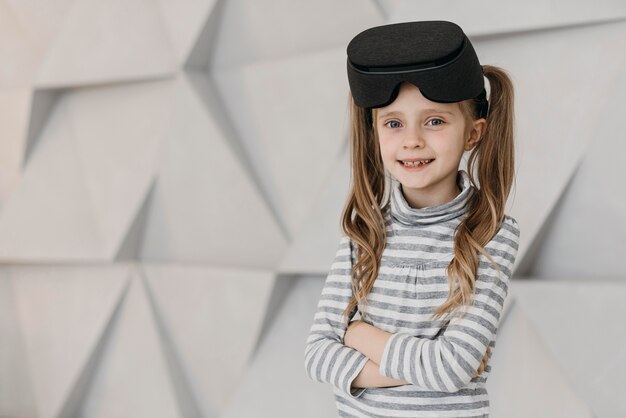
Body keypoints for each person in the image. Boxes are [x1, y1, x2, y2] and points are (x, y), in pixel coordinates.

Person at [303, 20, 521, 417]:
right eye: (393, 122)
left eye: (434, 120)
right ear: (374, 132)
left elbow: (451, 367)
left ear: (473, 134)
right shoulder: (364, 232)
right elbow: (317, 354)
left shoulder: (491, 234)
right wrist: (424, 367)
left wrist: (356, 334)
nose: (412, 140)